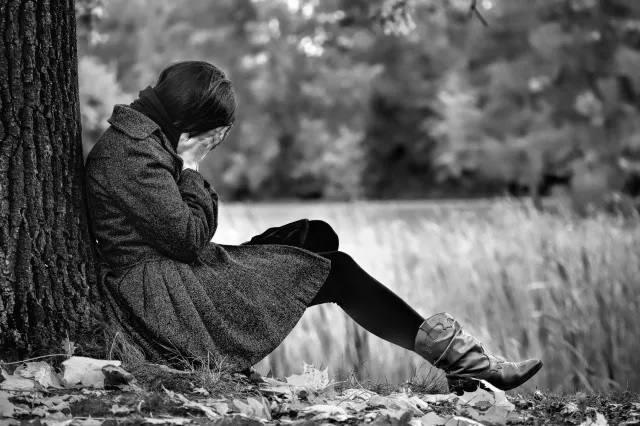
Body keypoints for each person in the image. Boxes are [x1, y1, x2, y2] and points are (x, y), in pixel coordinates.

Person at [84, 60, 542, 392]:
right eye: (214, 134)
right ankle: (467, 364)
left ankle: (462, 361)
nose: (216, 143)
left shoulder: (145, 140)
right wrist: (191, 166)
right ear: (191, 121)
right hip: (161, 297)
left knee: (314, 238)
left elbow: (180, 233)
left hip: (176, 276)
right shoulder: (134, 155)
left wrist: (186, 163)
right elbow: (187, 239)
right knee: (334, 269)